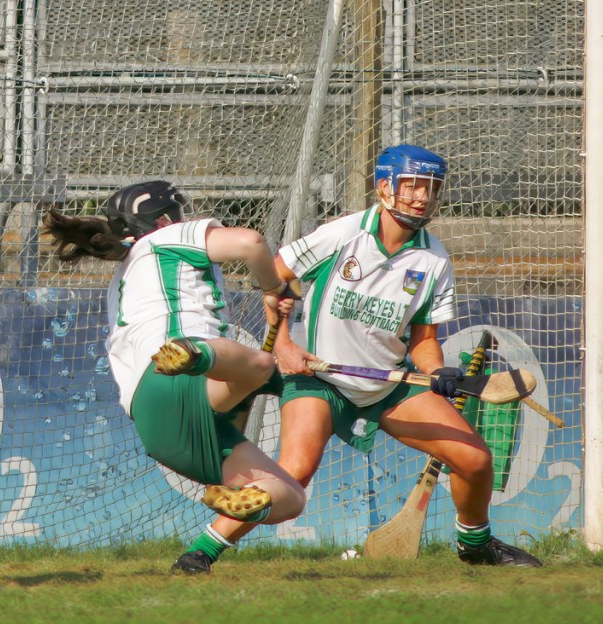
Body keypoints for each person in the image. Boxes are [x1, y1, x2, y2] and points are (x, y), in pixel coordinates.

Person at [171, 144, 542, 573]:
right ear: (384, 187)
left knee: (475, 459)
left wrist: (436, 370)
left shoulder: (434, 259)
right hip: (318, 380)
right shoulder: (343, 234)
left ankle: (475, 545)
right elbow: (276, 277)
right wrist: (284, 345)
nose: (422, 197)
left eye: (431, 188)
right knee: (294, 471)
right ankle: (201, 552)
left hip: (387, 385)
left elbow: (423, 339)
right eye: (412, 185)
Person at [43, 180, 306, 531]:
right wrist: (273, 288)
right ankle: (193, 352)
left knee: (289, 496)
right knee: (260, 365)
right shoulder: (165, 237)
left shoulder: (123, 277)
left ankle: (247, 500)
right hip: (178, 366)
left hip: (154, 420)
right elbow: (251, 243)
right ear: (162, 219)